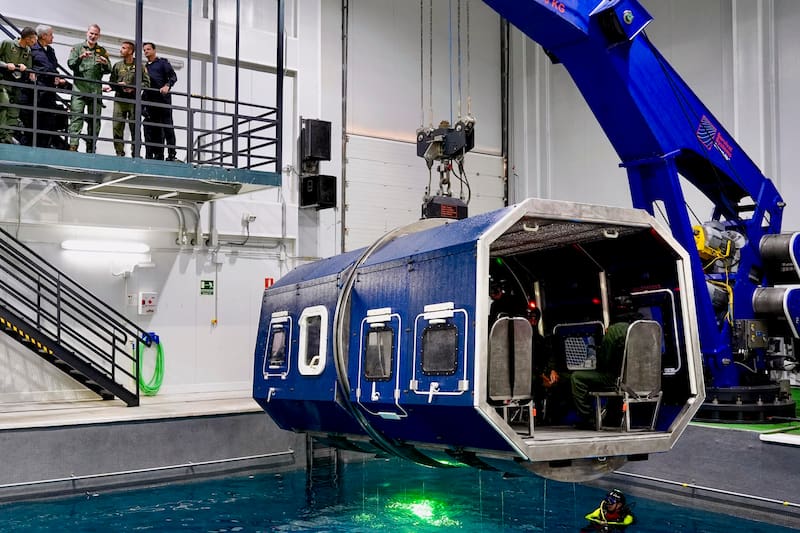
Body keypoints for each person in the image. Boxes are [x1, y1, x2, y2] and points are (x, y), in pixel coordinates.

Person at [67, 23, 110, 153]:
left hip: (95, 91)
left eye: (96, 34)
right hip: (79, 89)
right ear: (87, 33)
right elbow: (71, 64)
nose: (93, 36)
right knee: (76, 117)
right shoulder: (77, 48)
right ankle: (73, 146)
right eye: (91, 33)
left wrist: (105, 63)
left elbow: (109, 70)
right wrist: (80, 58)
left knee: (95, 121)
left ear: (99, 36)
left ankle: (91, 148)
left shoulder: (102, 51)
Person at [108, 41, 149, 157]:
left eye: (124, 48)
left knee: (135, 128)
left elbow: (147, 83)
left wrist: (134, 88)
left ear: (130, 51)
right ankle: (119, 153)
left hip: (133, 101)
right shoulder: (117, 65)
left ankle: (136, 153)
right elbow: (111, 82)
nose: (121, 50)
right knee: (117, 127)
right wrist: (118, 85)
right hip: (120, 100)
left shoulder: (140, 66)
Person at [31, 24, 68, 149]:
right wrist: (54, 75)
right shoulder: (33, 49)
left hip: (50, 90)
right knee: (38, 120)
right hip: (39, 90)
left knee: (49, 121)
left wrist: (57, 77)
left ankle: (44, 146)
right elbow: (43, 67)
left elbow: (53, 66)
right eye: (51, 34)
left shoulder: (50, 50)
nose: (53, 37)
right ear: (43, 36)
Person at [0, 27, 37, 144]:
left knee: (14, 111)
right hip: (3, 82)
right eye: (34, 40)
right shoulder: (7, 43)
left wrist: (25, 67)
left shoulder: (28, 51)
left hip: (17, 84)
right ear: (28, 38)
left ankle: (8, 137)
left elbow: (29, 67)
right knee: (4, 106)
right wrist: (6, 65)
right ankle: (1, 134)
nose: (35, 42)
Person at [142, 42, 178, 161]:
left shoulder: (162, 63)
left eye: (148, 49)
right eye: (144, 50)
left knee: (168, 127)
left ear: (154, 50)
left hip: (163, 101)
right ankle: (156, 155)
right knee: (154, 129)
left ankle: (172, 154)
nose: (146, 51)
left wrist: (167, 85)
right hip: (150, 103)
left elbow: (173, 76)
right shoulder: (144, 67)